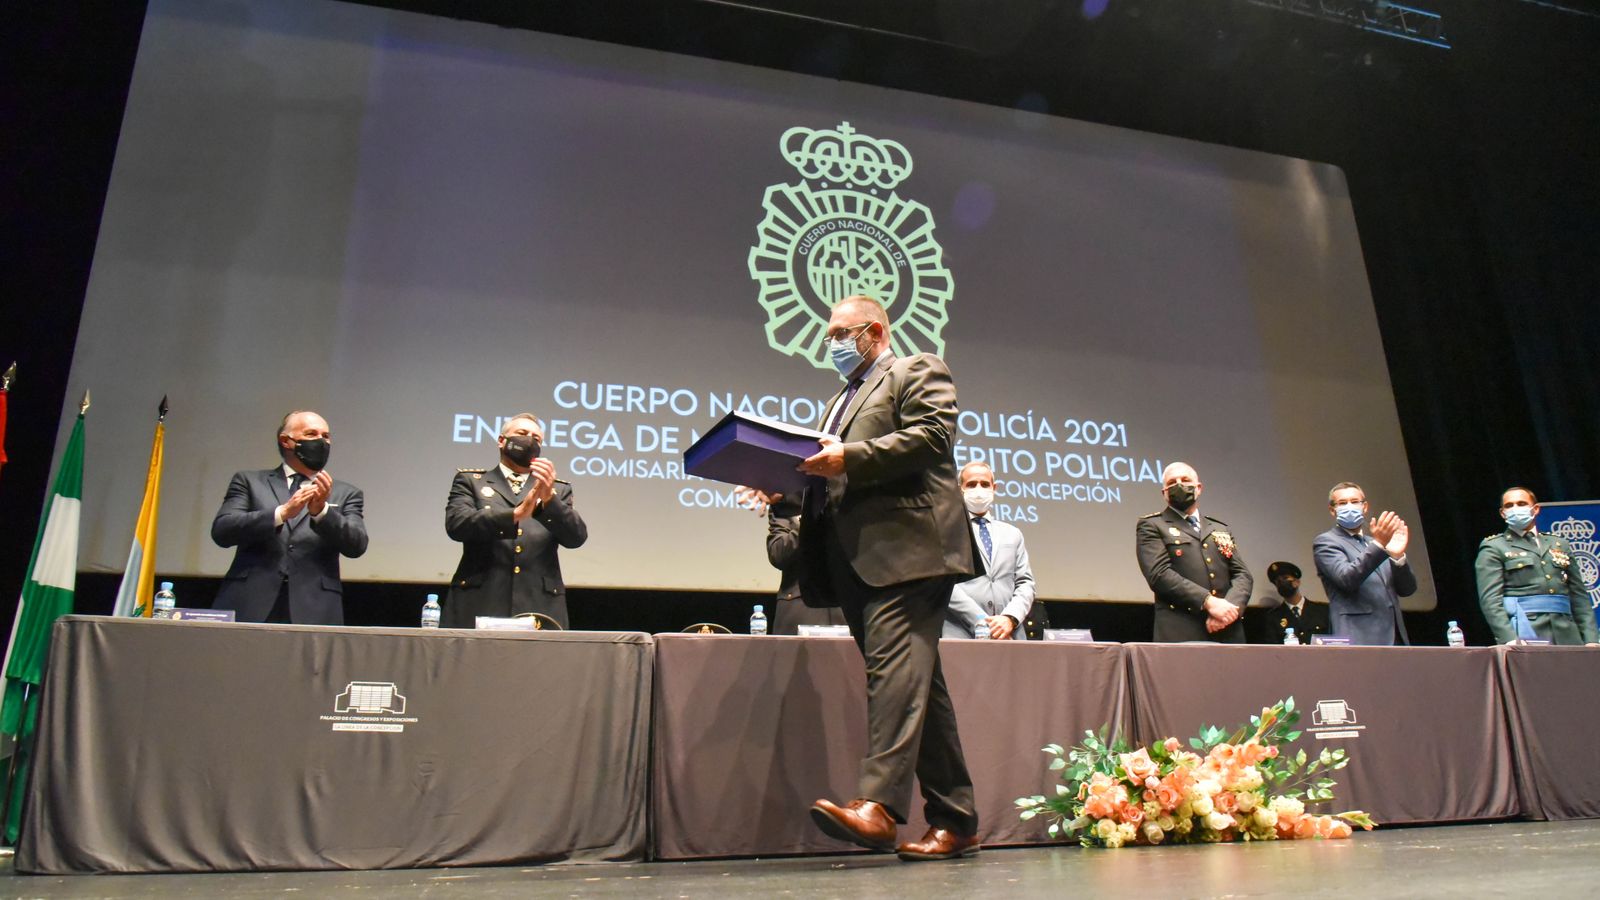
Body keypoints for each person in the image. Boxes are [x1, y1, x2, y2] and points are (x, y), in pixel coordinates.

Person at [741, 295, 979, 862]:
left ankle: (879, 807)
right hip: (857, 564)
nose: (831, 343)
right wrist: (784, 486)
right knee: (923, 689)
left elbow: (932, 437)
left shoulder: (916, 369)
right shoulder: (836, 402)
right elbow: (830, 475)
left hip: (911, 552)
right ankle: (957, 820)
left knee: (893, 677)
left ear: (873, 330)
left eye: (839, 332)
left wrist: (848, 456)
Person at [211, 410, 368, 625]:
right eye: (312, 434)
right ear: (286, 441)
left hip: (315, 607)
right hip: (249, 602)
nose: (321, 441)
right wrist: (281, 513)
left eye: (326, 436)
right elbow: (223, 530)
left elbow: (356, 545)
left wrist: (321, 512)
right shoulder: (249, 481)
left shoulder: (346, 493)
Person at [443, 413, 587, 629]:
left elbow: (575, 538)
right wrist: (514, 515)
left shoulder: (558, 489)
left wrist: (549, 499)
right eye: (522, 434)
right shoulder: (471, 481)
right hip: (481, 597)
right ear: (501, 441)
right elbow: (457, 525)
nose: (529, 440)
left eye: (536, 438)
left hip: (539, 603)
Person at [1135, 462, 1252, 642]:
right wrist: (1209, 602)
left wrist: (1230, 610)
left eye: (1185, 480)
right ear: (1164, 493)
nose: (1179, 485)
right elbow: (1158, 574)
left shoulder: (1219, 528)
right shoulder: (1152, 525)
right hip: (1182, 631)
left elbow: (1242, 574)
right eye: (1172, 482)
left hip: (1228, 631)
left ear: (1198, 488)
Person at [1475, 487, 1598, 646]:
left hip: (1567, 632)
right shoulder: (1495, 547)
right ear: (1502, 513)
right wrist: (1509, 638)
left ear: (1536, 509)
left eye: (1521, 503)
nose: (1515, 509)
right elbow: (1490, 600)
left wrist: (1591, 639)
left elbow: (1579, 596)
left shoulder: (1559, 544)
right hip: (1526, 631)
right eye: (1509, 505)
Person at [1312, 482, 1415, 645]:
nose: (1349, 506)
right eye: (1342, 503)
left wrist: (1398, 557)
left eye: (1355, 501)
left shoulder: (1373, 543)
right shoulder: (1326, 542)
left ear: (1365, 507)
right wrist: (1380, 545)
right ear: (1332, 510)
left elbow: (1407, 589)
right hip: (1359, 637)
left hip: (1394, 636)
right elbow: (1346, 579)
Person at [946, 461, 1035, 640]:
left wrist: (1009, 618)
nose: (978, 489)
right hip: (962, 633)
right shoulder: (947, 531)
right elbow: (944, 584)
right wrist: (979, 620)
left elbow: (1025, 583)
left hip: (1010, 634)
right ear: (959, 489)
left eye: (985, 484)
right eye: (971, 484)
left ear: (994, 488)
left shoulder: (1013, 533)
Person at [764, 504, 848, 634]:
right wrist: (808, 522)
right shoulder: (786, 505)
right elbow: (777, 554)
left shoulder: (848, 503)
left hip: (846, 606)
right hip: (799, 606)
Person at [1247, 561, 1331, 645]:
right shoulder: (1273, 618)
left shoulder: (1321, 611)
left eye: (1285, 578)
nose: (1281, 583)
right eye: (1278, 581)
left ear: (1297, 582)